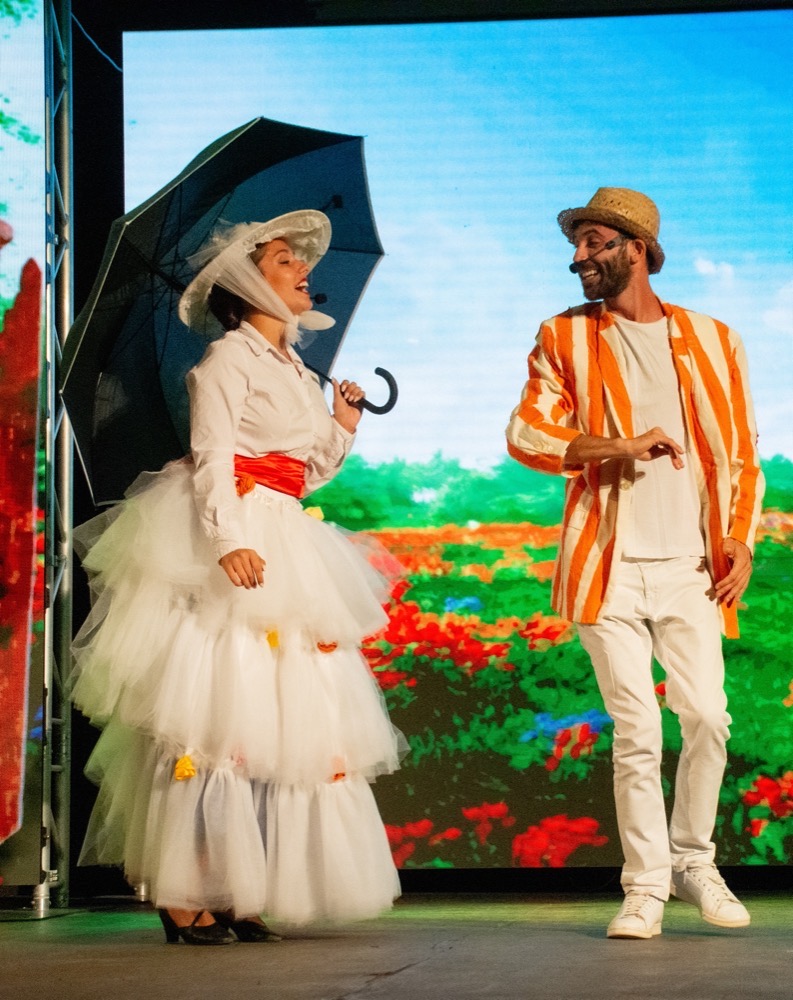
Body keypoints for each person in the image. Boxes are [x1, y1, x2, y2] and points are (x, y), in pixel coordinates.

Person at [71, 210, 405, 944]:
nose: (302, 270)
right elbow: (212, 455)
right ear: (248, 280)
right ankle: (184, 887)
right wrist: (226, 541)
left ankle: (237, 889)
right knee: (217, 714)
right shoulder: (224, 362)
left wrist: (343, 422)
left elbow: (307, 472)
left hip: (286, 530)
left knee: (280, 719)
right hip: (240, 532)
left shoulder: (291, 367)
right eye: (285, 260)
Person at [506, 188, 764, 939]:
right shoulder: (561, 337)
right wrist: (617, 444)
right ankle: (644, 886)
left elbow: (740, 453)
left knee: (708, 720)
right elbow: (527, 433)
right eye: (577, 245)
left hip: (690, 563)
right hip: (605, 565)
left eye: (593, 243)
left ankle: (693, 861)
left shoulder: (715, 339)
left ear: (637, 248)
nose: (577, 257)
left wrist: (740, 538)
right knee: (636, 727)